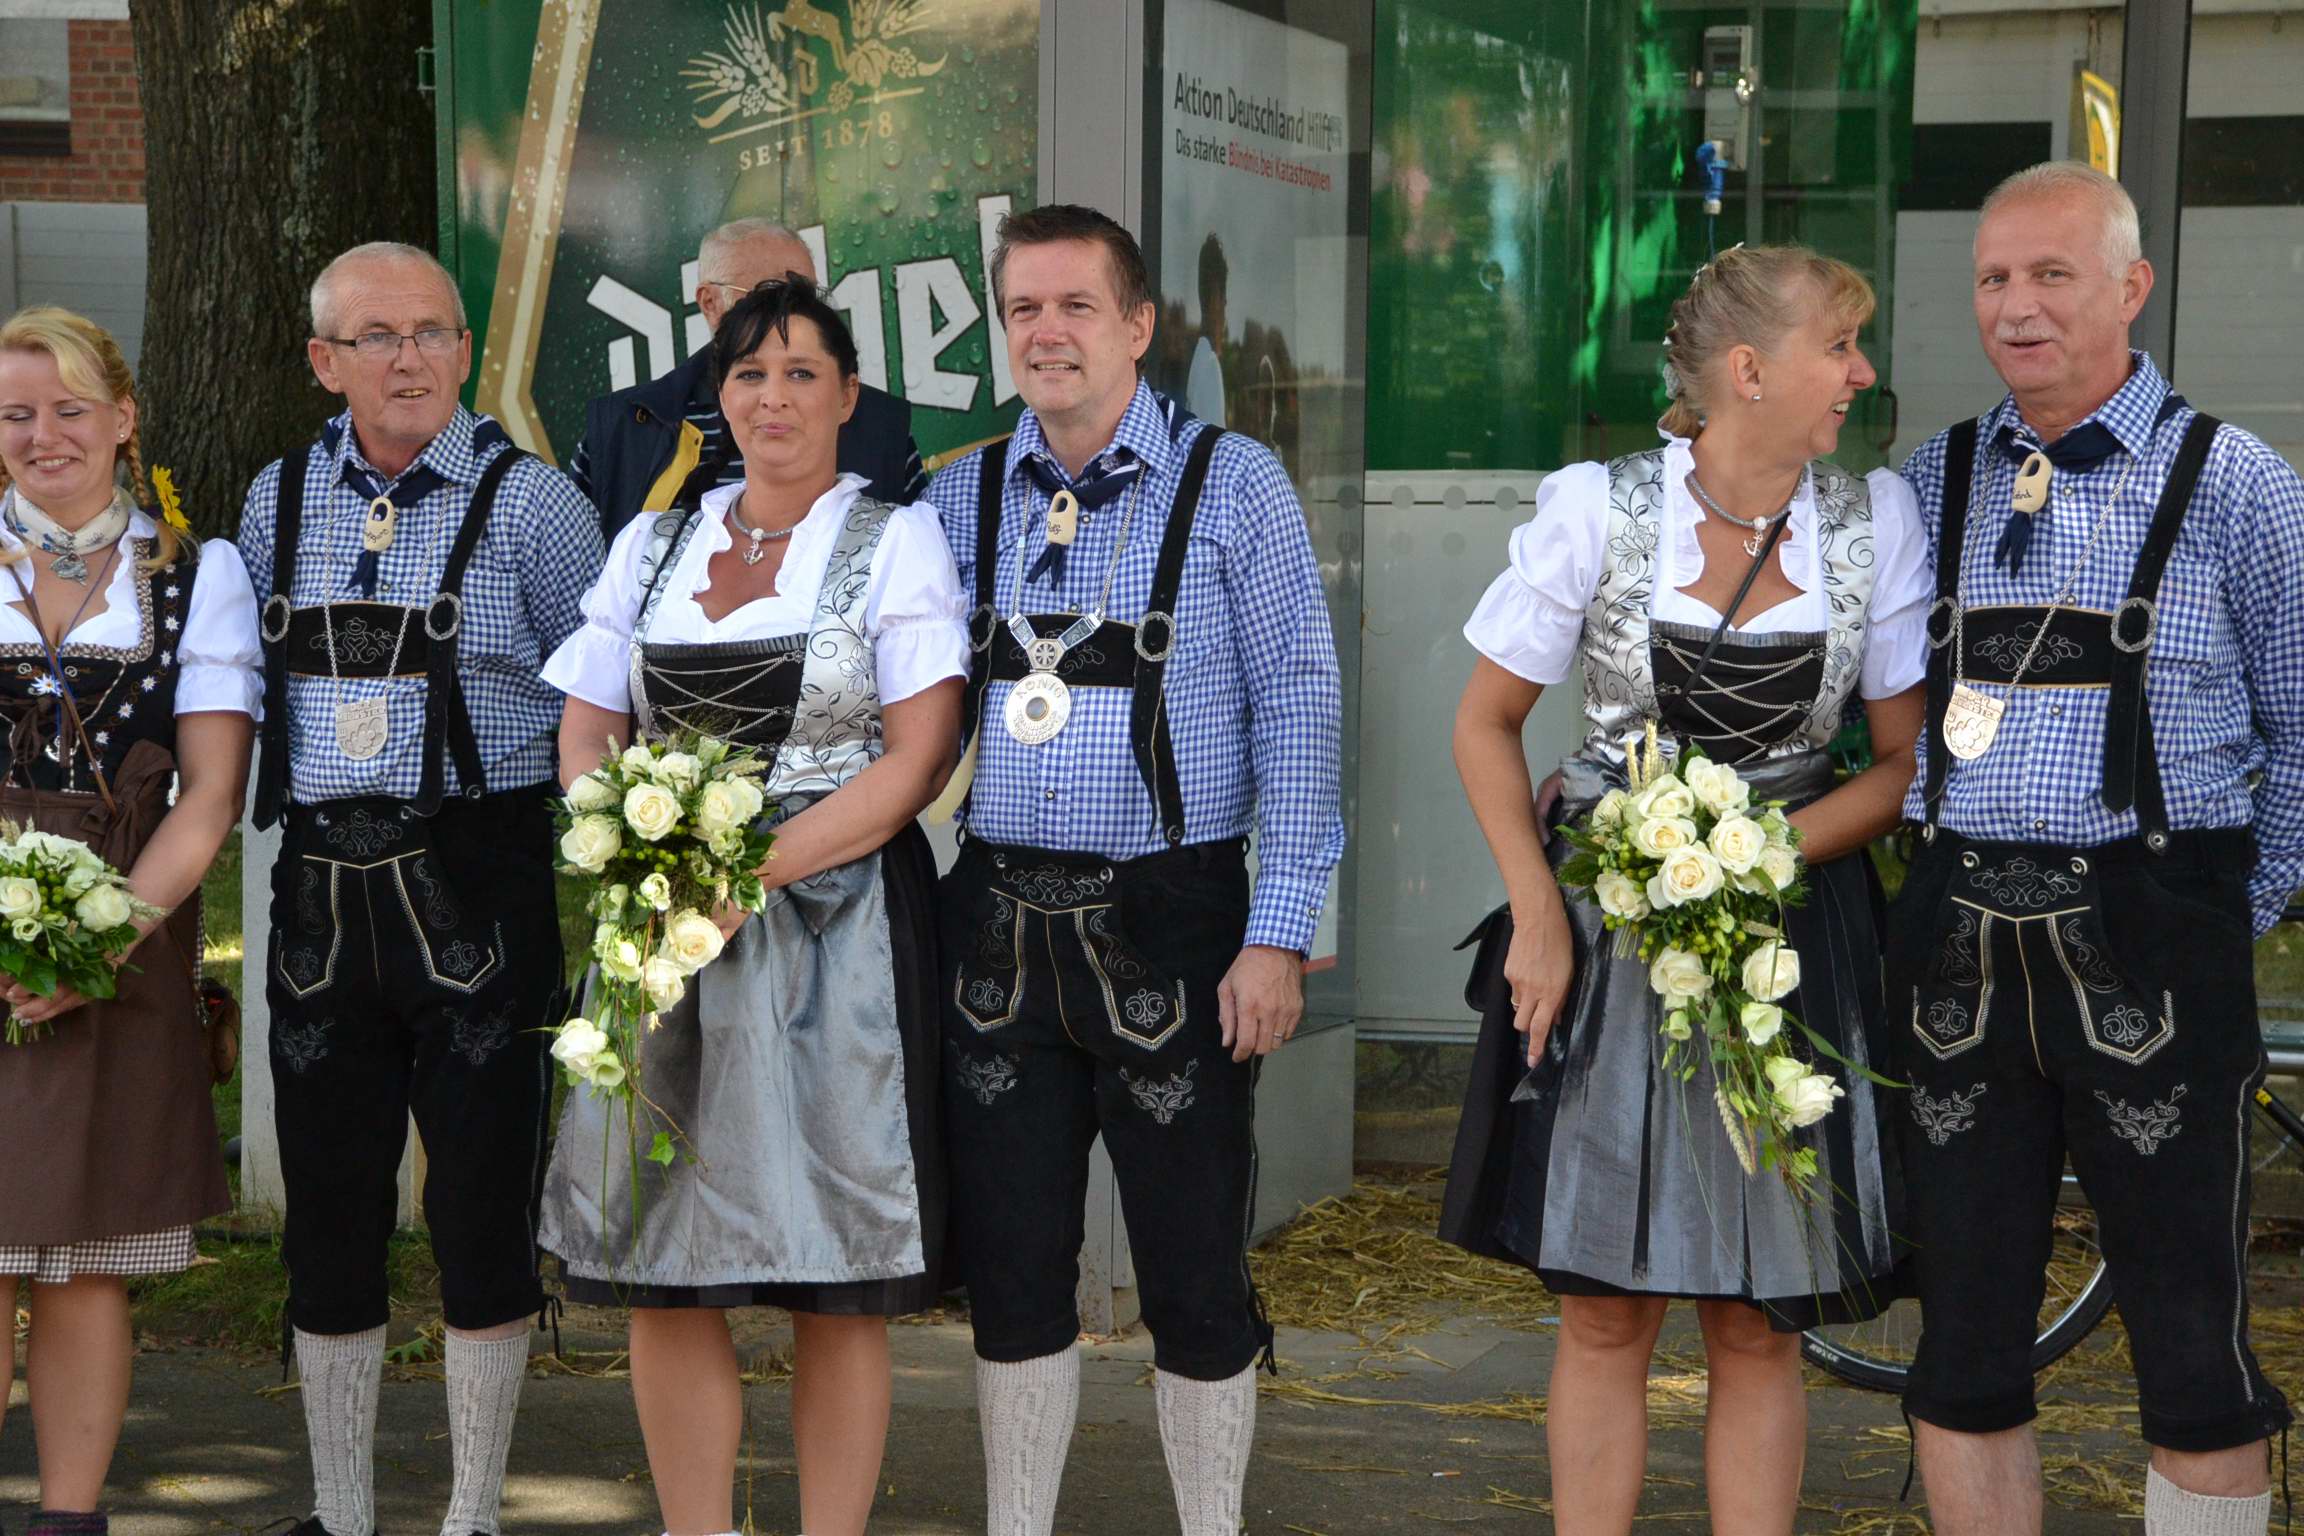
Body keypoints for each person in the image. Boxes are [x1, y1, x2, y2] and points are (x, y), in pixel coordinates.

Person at [1438, 244, 1930, 1536]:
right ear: (1749, 371)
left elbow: (1900, 767)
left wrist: (1765, 851)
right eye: (1840, 346)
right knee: (1607, 1311)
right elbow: (1485, 724)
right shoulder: (1596, 511)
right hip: (1607, 931)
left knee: (1760, 1320)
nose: (1861, 374)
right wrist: (1536, 917)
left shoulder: (1873, 522)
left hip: (1791, 929)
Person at [1890, 162, 2297, 1536]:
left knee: (2193, 1351)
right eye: (1994, 278)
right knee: (1962, 1346)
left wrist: (2222, 911)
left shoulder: (2238, 483)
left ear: (2131, 287)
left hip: (2156, 937)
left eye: (2052, 275)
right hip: (1957, 944)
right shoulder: (1932, 478)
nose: (2016, 307)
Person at [926, 203, 1344, 1536]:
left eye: (1076, 306)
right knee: (1012, 1276)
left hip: (1177, 917)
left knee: (1194, 1276)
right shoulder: (954, 495)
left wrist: (1280, 931)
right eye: (1024, 309)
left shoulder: (1236, 482)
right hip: (996, 923)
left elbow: (1301, 709)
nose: (1047, 332)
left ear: (1140, 325)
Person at [536, 278, 965, 1536]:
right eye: (748, 374)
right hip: (664, 921)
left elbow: (915, 760)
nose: (773, 398)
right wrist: (631, 840)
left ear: (847, 395)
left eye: (800, 373)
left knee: (834, 1268)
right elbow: (588, 727)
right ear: (717, 397)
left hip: (837, 925)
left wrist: (742, 874)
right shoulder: (651, 543)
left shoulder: (896, 539)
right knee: (666, 1260)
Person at [237, 240, 602, 1536]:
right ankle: (339, 1515)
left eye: (434, 333)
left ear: (464, 349)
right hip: (320, 892)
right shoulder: (276, 500)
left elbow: (600, 699)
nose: (411, 360)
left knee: (479, 1205)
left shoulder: (539, 506)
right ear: (324, 361)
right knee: (328, 1211)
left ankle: (471, 1517)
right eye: (378, 337)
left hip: (479, 879)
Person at [0, 306, 259, 1536]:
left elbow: (208, 793)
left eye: (68, 408)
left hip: (127, 934)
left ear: (123, 417)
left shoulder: (199, 575)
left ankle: (69, 1520)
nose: (42, 435)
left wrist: (98, 940)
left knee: (87, 1261)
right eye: (15, 415)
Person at [567, 217, 926, 539]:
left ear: (847, 397)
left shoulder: (883, 425)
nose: (789, 312)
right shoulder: (623, 429)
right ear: (710, 303)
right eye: (768, 295)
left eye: (807, 297)